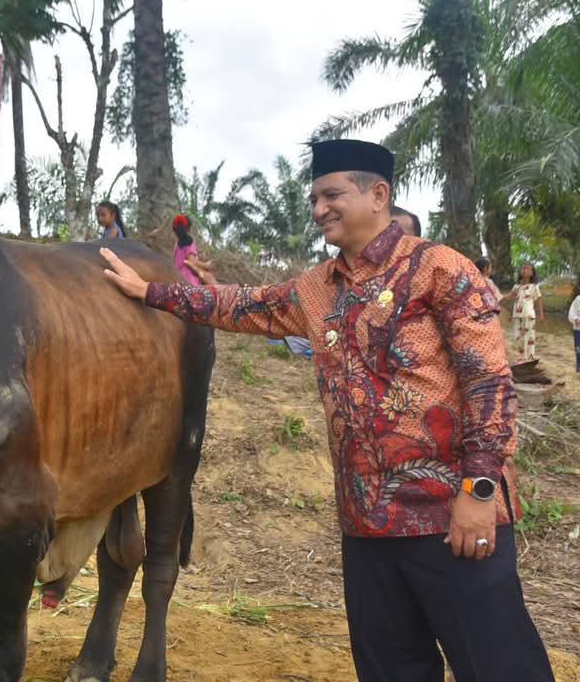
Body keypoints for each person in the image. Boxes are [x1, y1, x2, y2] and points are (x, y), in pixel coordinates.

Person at [100, 139, 553, 682]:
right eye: (314, 198)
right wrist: (150, 291)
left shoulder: (440, 270)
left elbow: (488, 383)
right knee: (392, 669)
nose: (318, 210)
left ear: (378, 194)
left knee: (498, 667)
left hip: (452, 519)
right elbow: (238, 305)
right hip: (367, 529)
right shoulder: (316, 289)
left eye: (332, 195)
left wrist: (479, 491)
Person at [502, 263, 544, 363]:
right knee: (517, 337)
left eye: (528, 269)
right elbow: (512, 298)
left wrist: (541, 314)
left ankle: (528, 357)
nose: (525, 270)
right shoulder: (516, 286)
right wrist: (498, 297)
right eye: (523, 268)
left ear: (532, 273)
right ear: (520, 272)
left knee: (529, 336)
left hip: (528, 314)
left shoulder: (534, 286)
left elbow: (539, 300)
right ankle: (524, 355)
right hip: (517, 315)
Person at [171, 214, 217, 285]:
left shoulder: (176, 245)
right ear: (188, 228)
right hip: (189, 281)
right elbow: (192, 261)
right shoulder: (189, 241)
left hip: (177, 282)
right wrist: (206, 265)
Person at [568, 283, 580, 373]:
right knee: (579, 350)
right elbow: (572, 313)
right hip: (578, 330)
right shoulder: (578, 299)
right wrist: (576, 319)